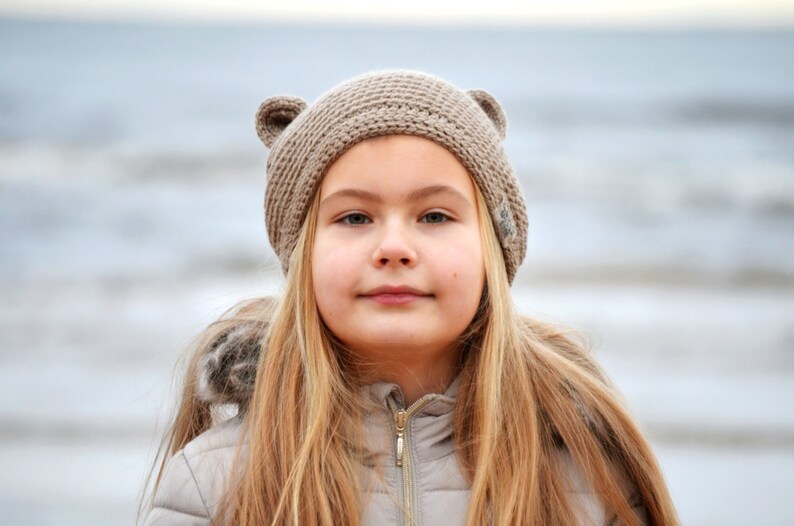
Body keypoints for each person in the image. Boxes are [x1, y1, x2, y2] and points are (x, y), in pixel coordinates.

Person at [141, 70, 679, 525]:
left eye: (435, 216)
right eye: (354, 217)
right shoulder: (214, 479)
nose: (394, 247)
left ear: (494, 248)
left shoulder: (585, 471)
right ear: (301, 256)